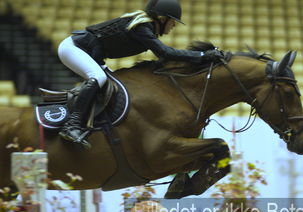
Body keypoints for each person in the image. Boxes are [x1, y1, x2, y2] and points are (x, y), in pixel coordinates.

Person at [57, 0, 222, 148]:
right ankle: (71, 126)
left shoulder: (145, 27)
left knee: (113, 85)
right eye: (173, 21)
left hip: (91, 53)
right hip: (73, 48)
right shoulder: (142, 27)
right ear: (162, 18)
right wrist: (202, 56)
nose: (173, 26)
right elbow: (165, 53)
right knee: (99, 78)